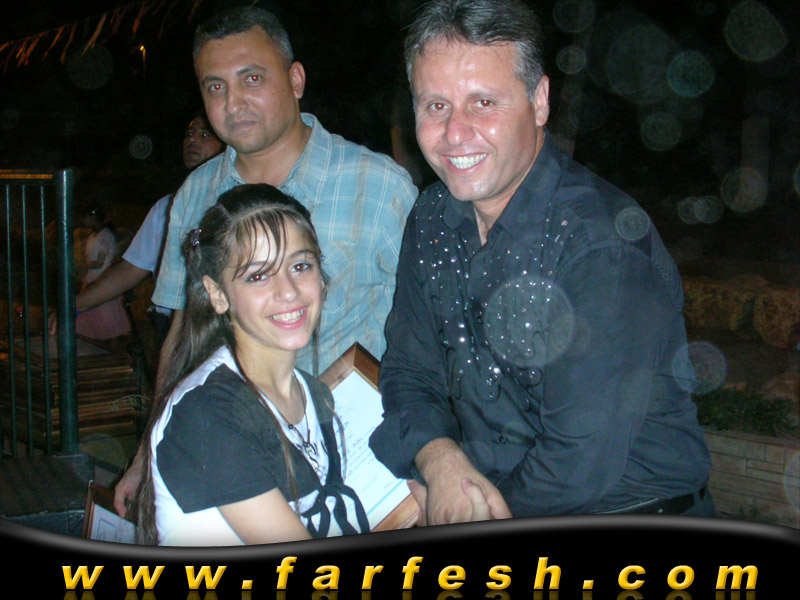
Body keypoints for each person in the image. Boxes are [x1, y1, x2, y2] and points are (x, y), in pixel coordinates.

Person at [369, 0, 713, 524]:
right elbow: (409, 371)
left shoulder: (600, 246)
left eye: (483, 102)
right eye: (436, 105)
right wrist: (439, 460)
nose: (455, 133)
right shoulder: (433, 218)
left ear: (539, 101)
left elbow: (577, 467)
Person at [113, 5, 416, 516]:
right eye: (215, 86)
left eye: (252, 78)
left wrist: (433, 450)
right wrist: (147, 451)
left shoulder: (379, 186)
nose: (233, 103)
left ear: (296, 80)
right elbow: (183, 335)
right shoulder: (195, 196)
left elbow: (430, 329)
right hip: (230, 459)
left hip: (362, 460)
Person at [137, 184, 369, 545]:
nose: (288, 291)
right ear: (217, 294)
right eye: (258, 276)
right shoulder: (206, 412)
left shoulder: (313, 393)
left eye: (300, 266)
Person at [49, 114, 224, 346]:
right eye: (189, 134)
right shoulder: (167, 207)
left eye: (205, 134)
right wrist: (73, 306)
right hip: (174, 329)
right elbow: (131, 269)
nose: (193, 140)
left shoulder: (234, 206)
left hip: (220, 329)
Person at [73, 203, 131, 340]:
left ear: (94, 217)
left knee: (107, 327)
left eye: (86, 217)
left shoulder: (105, 236)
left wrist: (80, 266)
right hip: (92, 280)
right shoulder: (92, 236)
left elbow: (98, 263)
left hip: (102, 282)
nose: (83, 220)